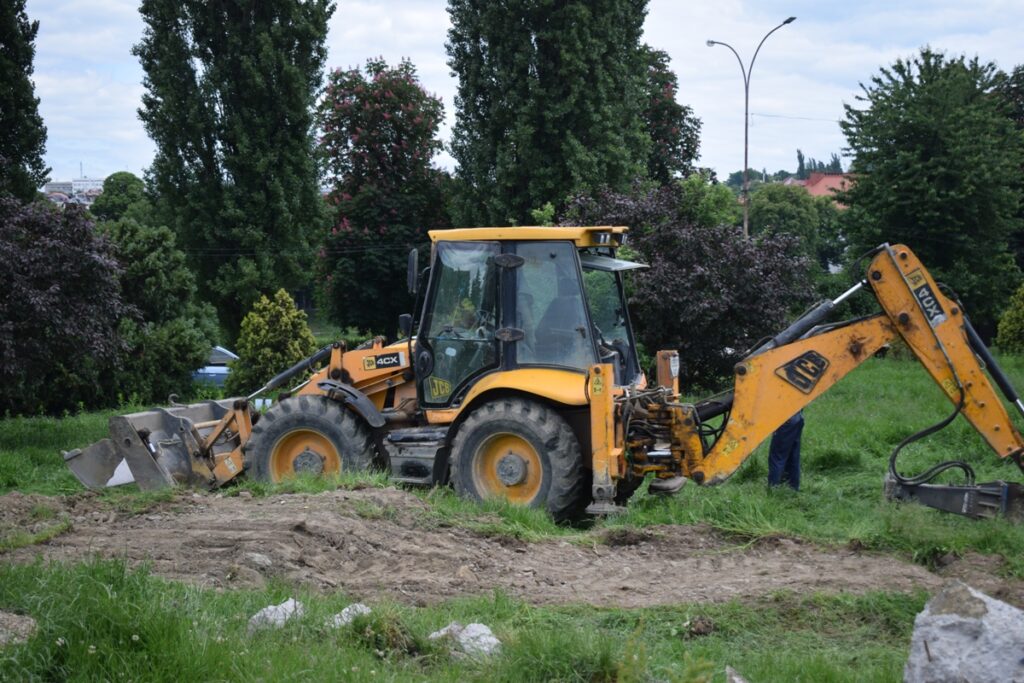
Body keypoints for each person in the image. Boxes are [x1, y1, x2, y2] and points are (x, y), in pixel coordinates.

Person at [768, 411, 804, 490]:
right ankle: (792, 488)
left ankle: (773, 489)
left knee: (777, 458)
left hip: (785, 419)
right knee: (793, 456)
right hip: (798, 417)